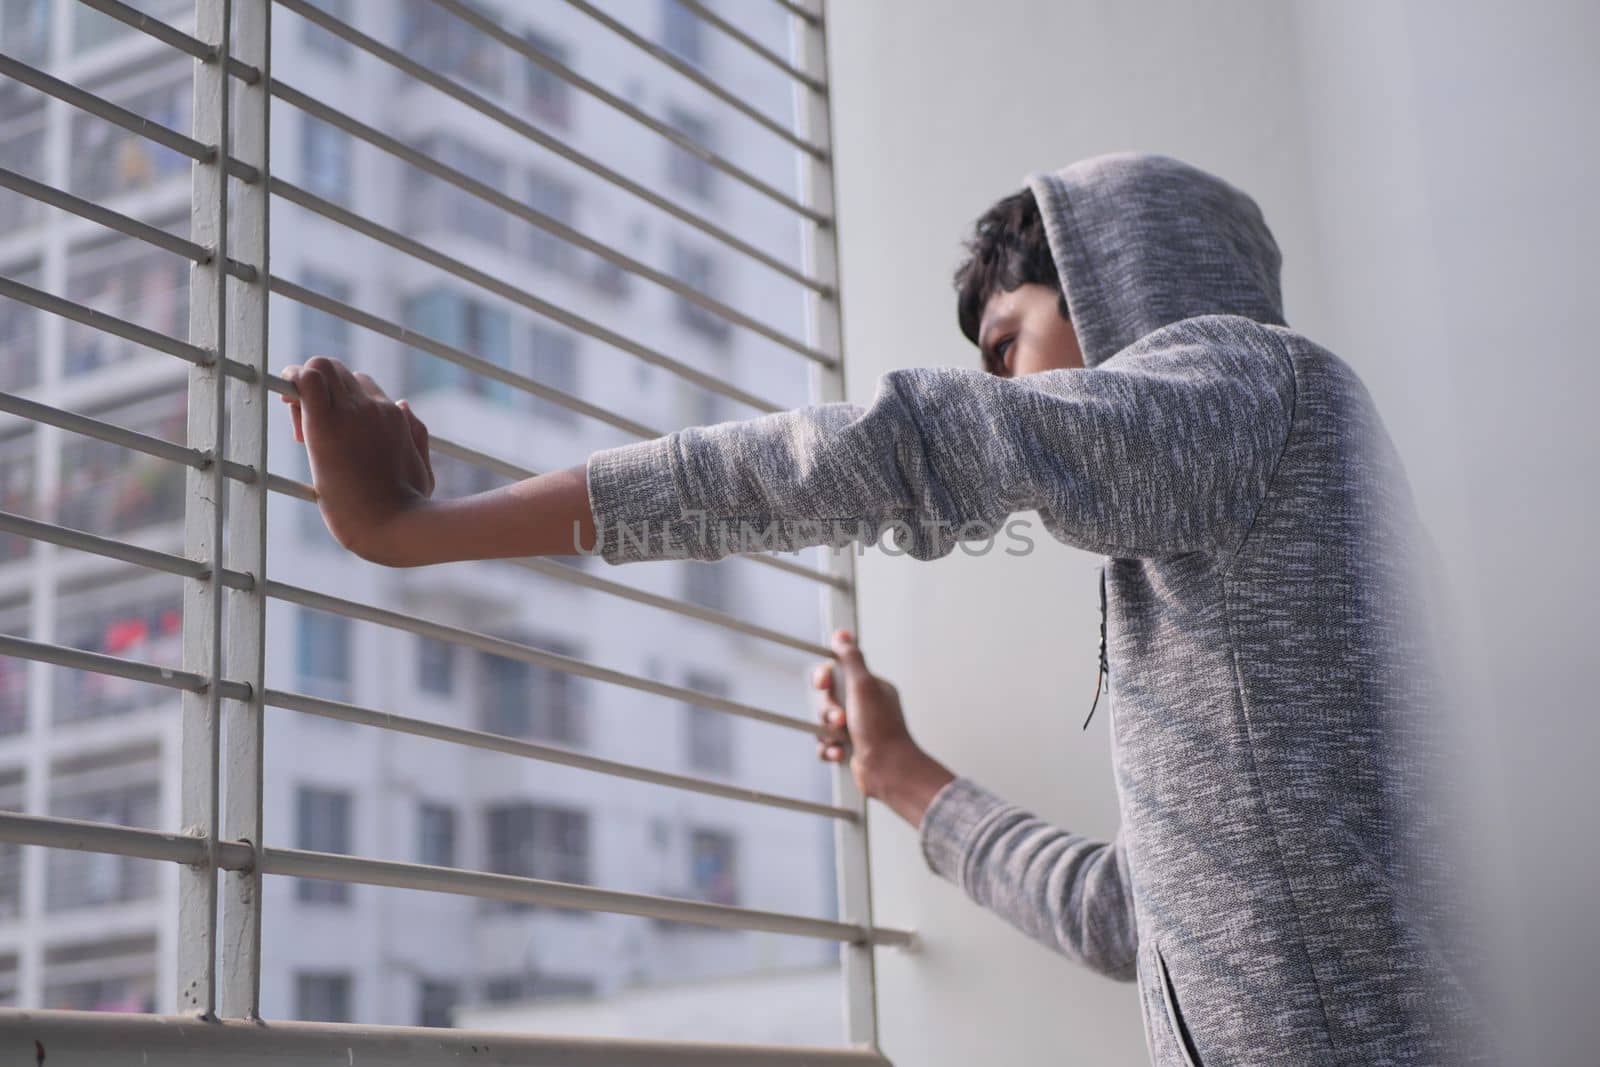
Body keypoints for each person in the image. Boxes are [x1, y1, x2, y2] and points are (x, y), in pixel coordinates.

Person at [281, 152, 1494, 1065]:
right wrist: (901, 772)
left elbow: (902, 450)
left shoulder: (1259, 384)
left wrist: (421, 531)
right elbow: (1142, 914)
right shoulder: (1263, 541)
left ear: (1116, 288)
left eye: (1009, 339)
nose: (1002, 384)